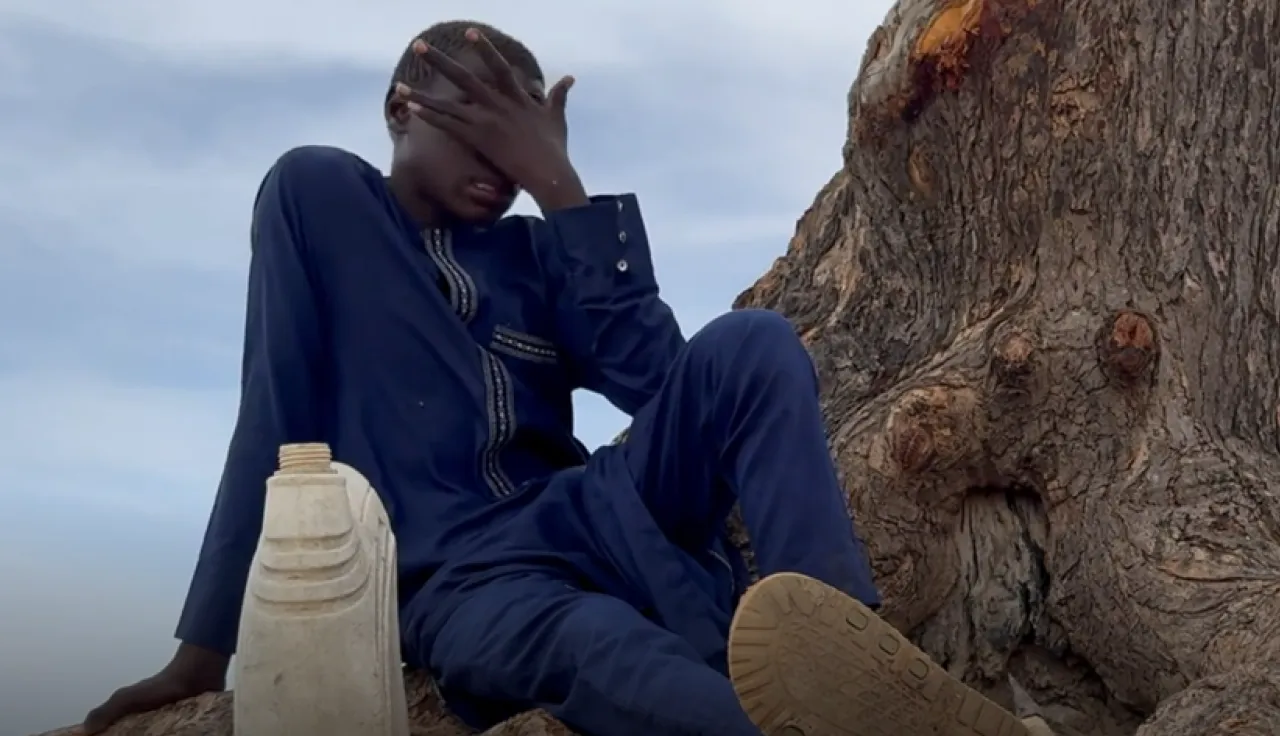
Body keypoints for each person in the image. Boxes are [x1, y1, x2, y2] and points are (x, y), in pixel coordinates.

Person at [83, 20, 1039, 736]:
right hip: (460, 579)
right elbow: (273, 417)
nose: (507, 164)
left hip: (594, 510)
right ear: (400, 112)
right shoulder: (324, 201)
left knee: (750, 344)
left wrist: (563, 192)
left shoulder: (538, 253)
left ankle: (844, 648)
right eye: (485, 132)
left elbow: (659, 381)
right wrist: (201, 653)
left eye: (526, 139)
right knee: (600, 650)